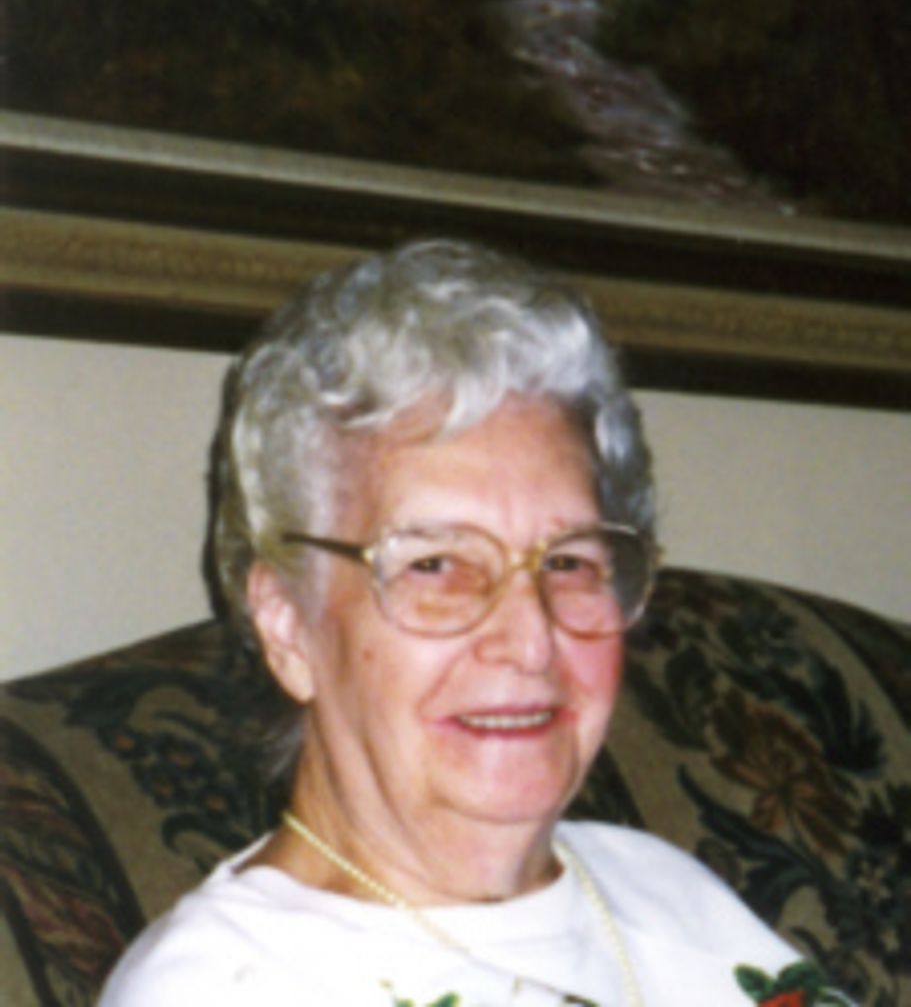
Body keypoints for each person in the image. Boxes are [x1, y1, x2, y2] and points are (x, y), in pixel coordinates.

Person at [99, 239, 850, 1006]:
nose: (530, 641)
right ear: (287, 625)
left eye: (569, 561)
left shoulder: (657, 886)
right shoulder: (222, 987)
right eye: (434, 564)